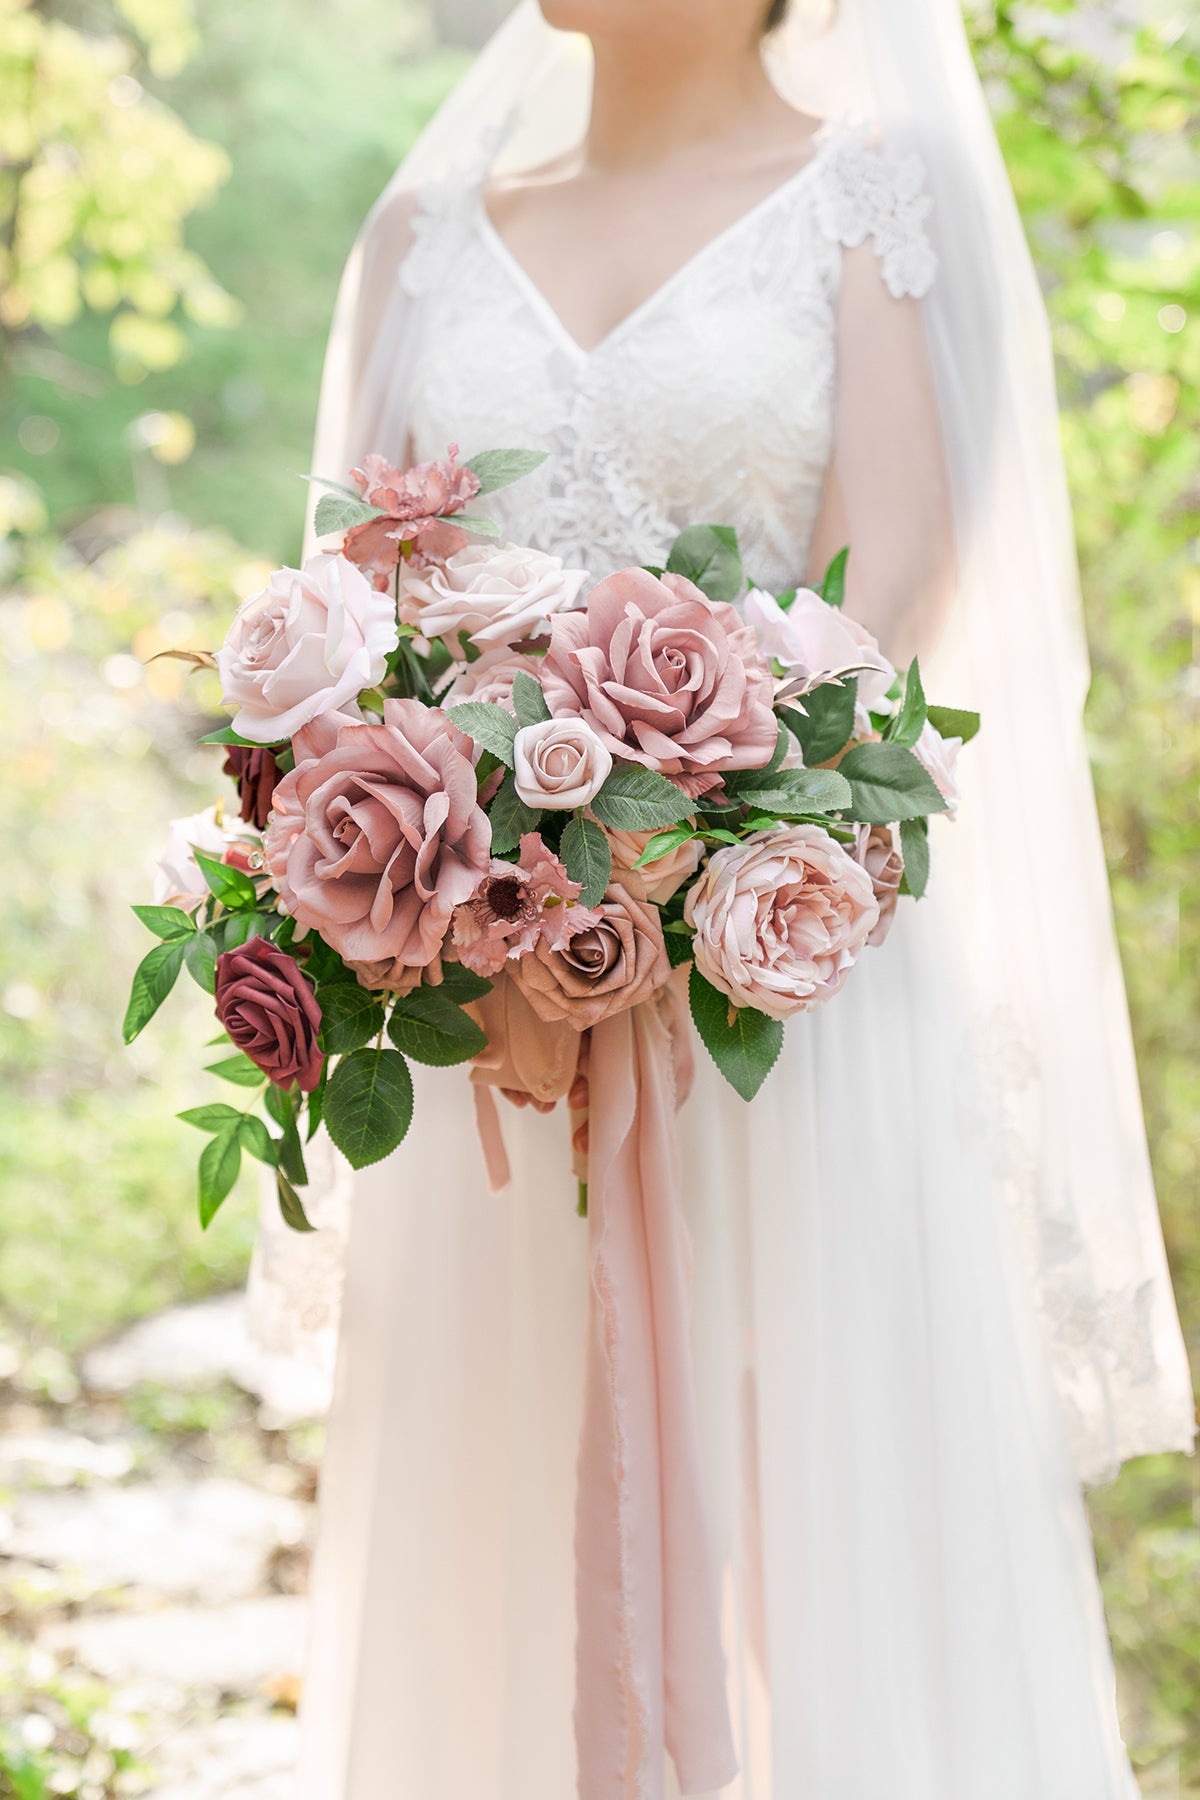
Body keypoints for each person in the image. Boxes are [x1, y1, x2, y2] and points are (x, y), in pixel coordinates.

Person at [250, 2, 1195, 1794]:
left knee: (840, 1524)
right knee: (505, 1508)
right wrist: (476, 909)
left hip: (781, 983)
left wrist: (662, 861)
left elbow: (894, 582)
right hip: (486, 1018)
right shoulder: (425, 235)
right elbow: (353, 619)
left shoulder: (870, 204)